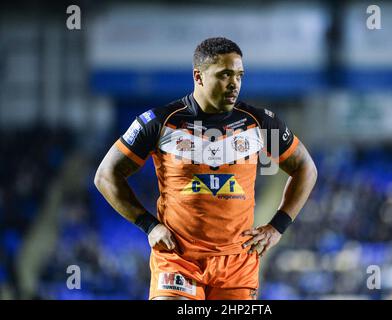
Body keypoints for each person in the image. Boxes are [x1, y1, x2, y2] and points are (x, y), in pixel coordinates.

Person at [94, 37, 317, 300]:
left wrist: (277, 226)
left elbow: (305, 168)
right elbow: (106, 175)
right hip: (178, 259)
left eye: (239, 75)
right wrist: (149, 225)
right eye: (224, 75)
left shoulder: (260, 123)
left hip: (237, 264)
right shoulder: (160, 121)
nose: (234, 83)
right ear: (198, 77)